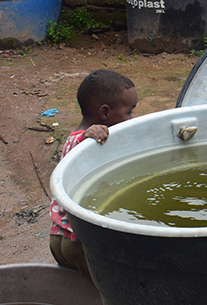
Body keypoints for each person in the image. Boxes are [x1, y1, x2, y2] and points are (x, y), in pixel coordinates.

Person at [49, 69, 139, 281]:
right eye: (129, 112)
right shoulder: (86, 140)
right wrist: (88, 137)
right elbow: (79, 150)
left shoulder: (75, 138)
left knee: (79, 289)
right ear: (105, 113)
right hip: (79, 243)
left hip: (58, 235)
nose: (132, 118)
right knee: (105, 291)